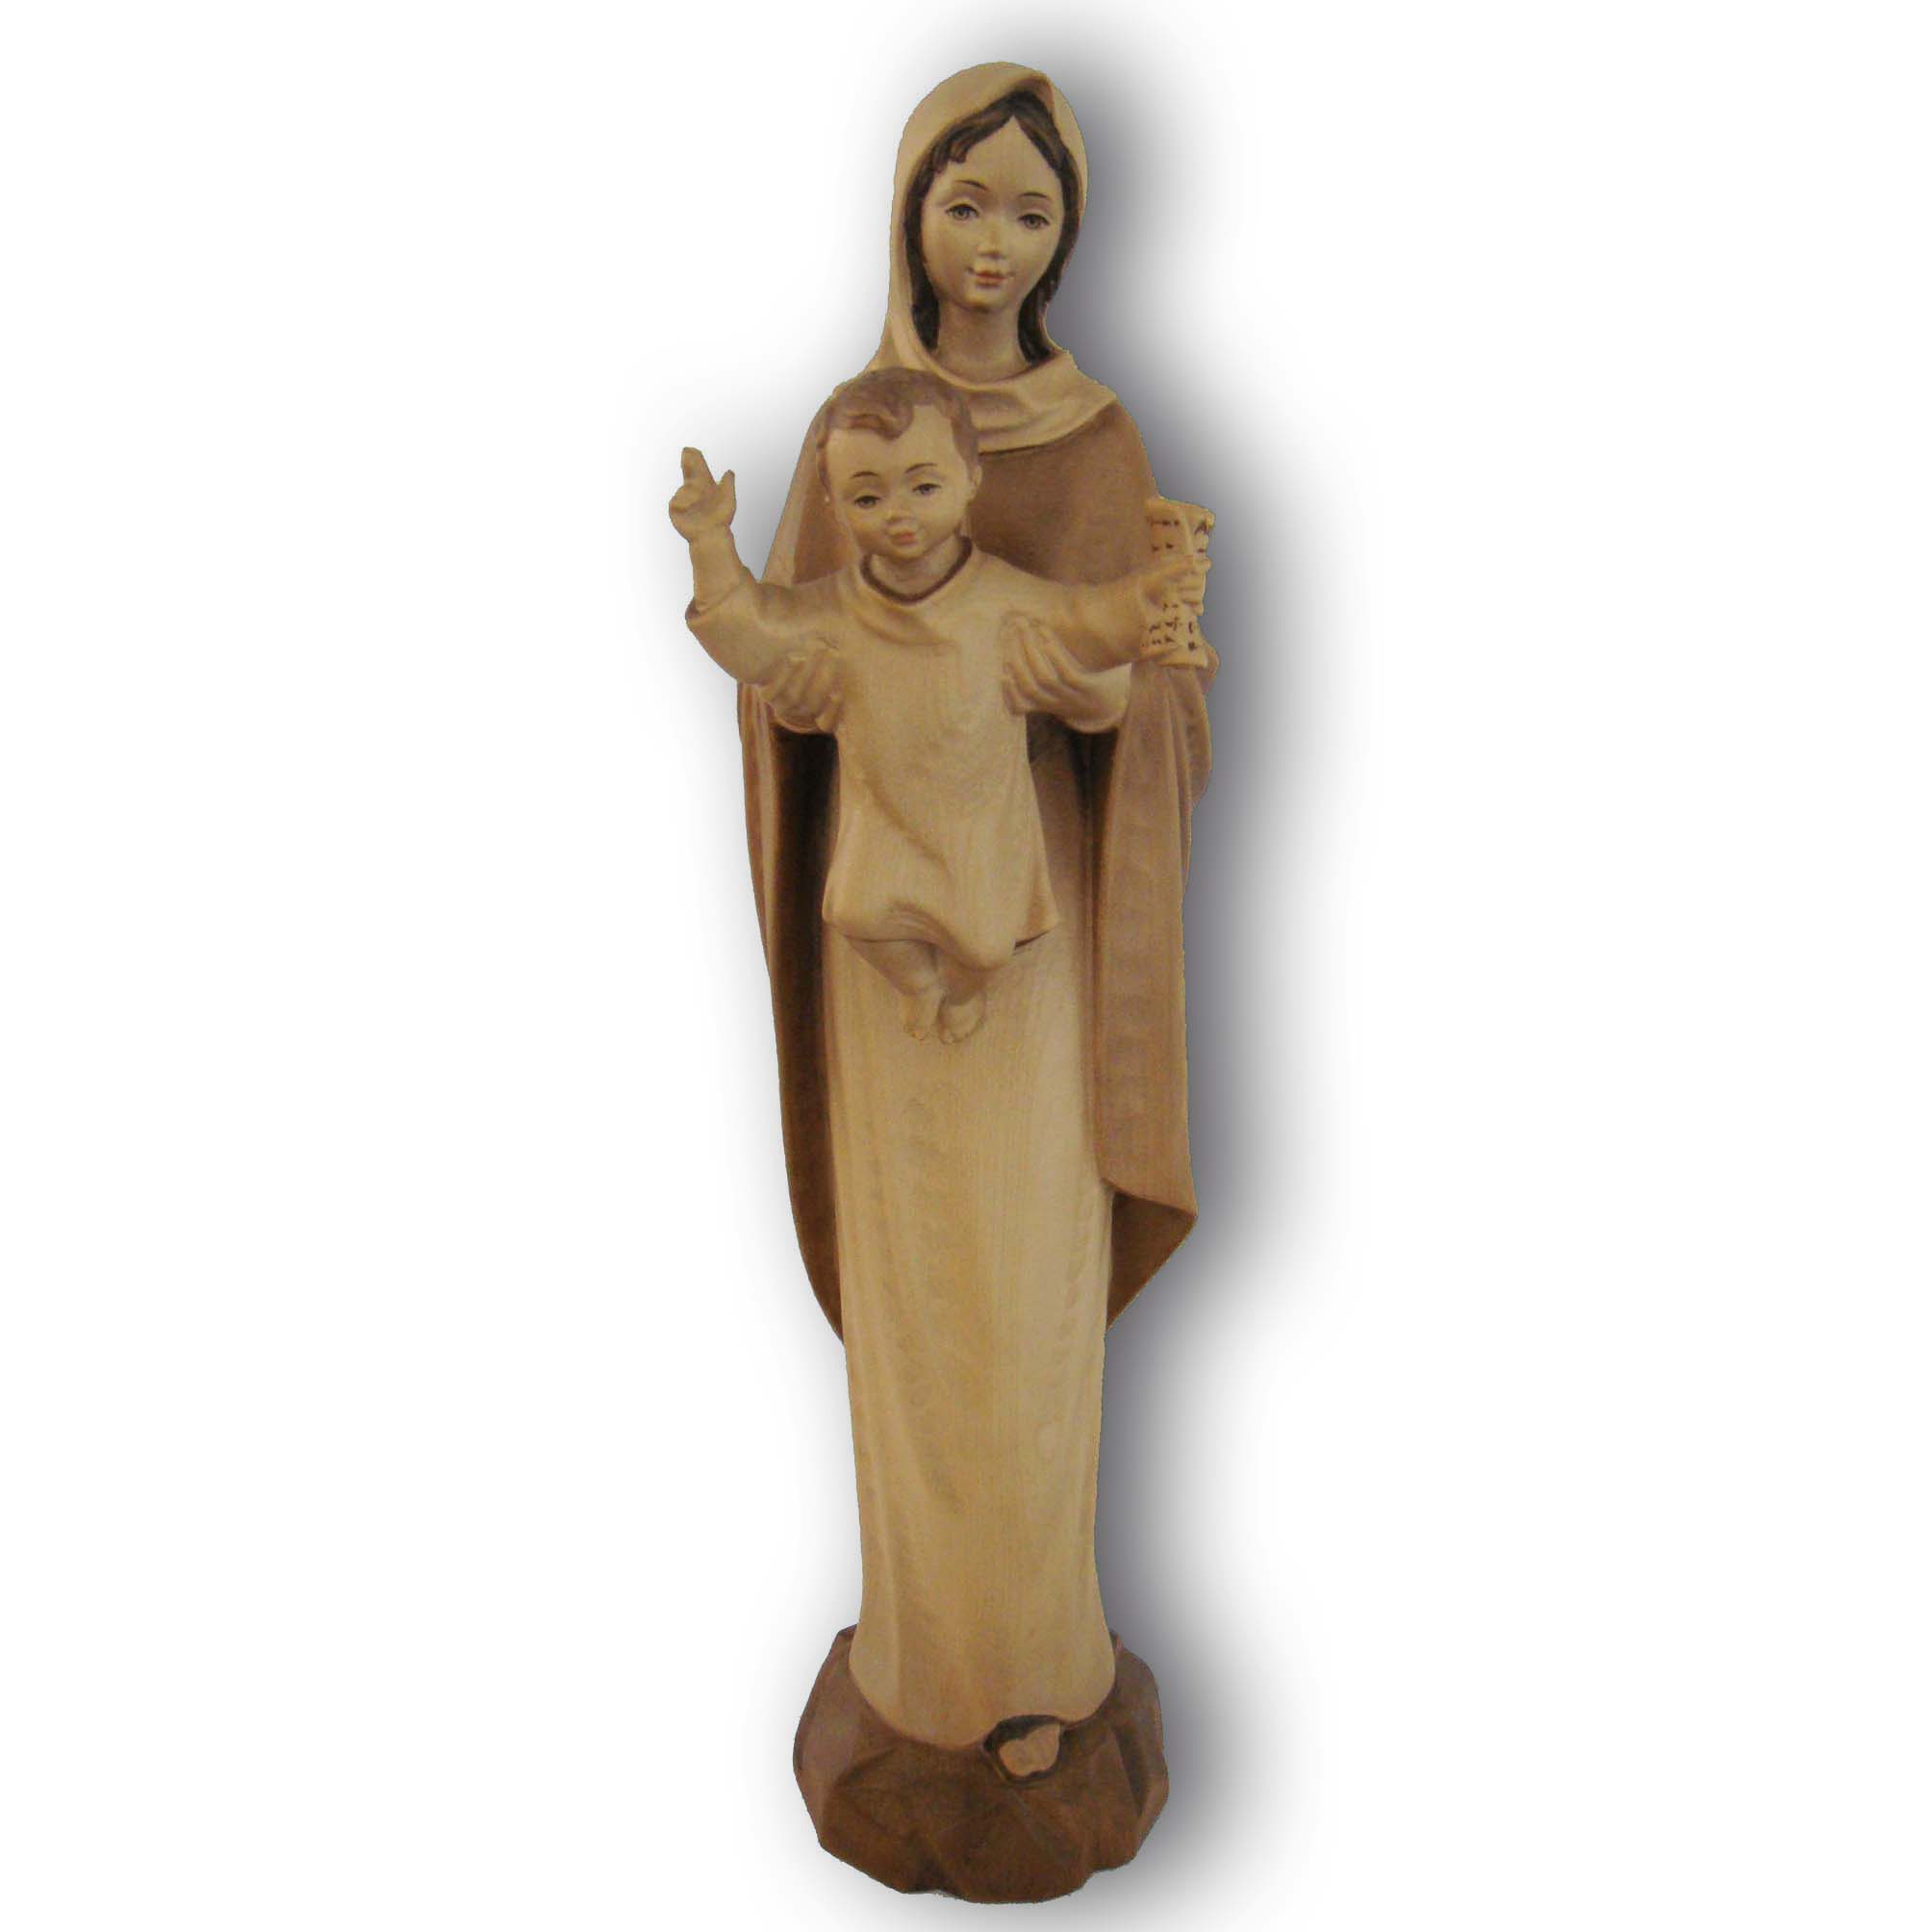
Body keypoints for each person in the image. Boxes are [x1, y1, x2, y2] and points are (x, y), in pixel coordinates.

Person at [737, 64, 1215, 1780]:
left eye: (1029, 208)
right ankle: (923, 1662)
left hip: (1036, 948)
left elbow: (1163, 689)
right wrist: (808, 677)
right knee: (919, 1298)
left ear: (1068, 229)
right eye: (964, 204)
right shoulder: (852, 433)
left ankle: (1039, 1655)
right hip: (882, 958)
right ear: (908, 216)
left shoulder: (1095, 439)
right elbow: (778, 663)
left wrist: (1116, 691)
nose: (993, 244)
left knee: (1022, 1295)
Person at [672, 368, 1205, 1042]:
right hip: (884, 821)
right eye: (868, 497)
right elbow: (752, 634)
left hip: (976, 826)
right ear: (832, 503)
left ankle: (961, 994)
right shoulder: (833, 611)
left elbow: (1084, 620)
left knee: (985, 946)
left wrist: (1151, 600)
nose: (899, 514)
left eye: (924, 488)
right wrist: (710, 546)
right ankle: (922, 986)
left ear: (971, 480)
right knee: (856, 912)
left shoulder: (1001, 598)